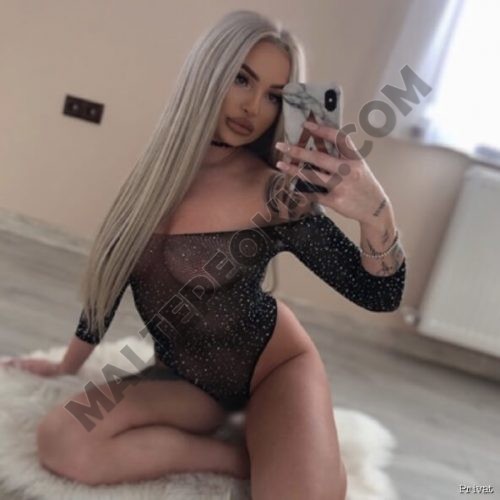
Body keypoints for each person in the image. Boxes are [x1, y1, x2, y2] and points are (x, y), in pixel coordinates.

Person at [1, 9, 406, 499]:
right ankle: (242, 457)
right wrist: (67, 365)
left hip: (275, 366)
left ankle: (294, 450)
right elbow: (109, 282)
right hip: (187, 382)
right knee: (62, 441)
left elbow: (379, 295)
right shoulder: (152, 180)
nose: (252, 106)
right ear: (208, 72)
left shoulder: (278, 194)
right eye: (242, 79)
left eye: (274, 95)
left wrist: (376, 213)